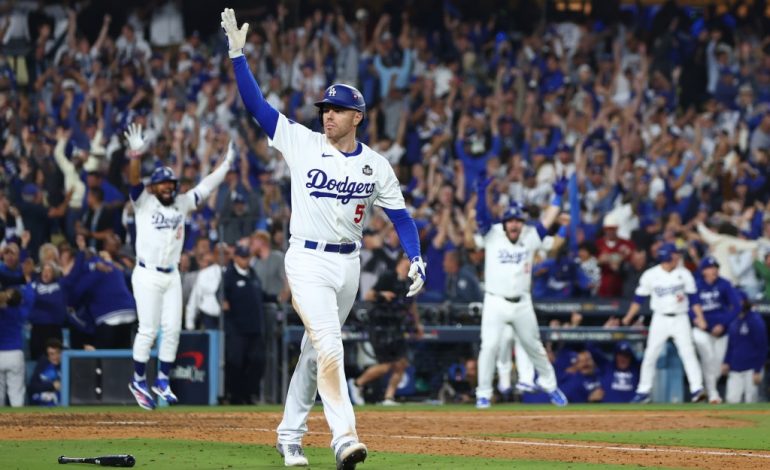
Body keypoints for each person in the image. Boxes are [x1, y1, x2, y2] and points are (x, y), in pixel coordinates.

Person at [223, 8, 425, 468]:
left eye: (335, 110)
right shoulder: (302, 141)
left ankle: (289, 435)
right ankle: (344, 439)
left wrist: (415, 257)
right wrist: (238, 56)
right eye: (324, 109)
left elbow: (401, 218)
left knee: (315, 355)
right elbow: (257, 107)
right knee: (330, 344)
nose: (327, 115)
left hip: (347, 266)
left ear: (357, 116)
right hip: (307, 261)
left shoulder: (376, 164)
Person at [124, 122, 235, 410]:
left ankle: (162, 379)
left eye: (171, 184)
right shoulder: (144, 202)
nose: (167, 187)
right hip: (146, 272)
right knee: (148, 330)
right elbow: (134, 181)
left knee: (172, 329)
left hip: (172, 274)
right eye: (162, 183)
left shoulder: (182, 203)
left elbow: (206, 187)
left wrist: (225, 167)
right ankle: (138, 380)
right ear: (154, 186)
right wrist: (135, 155)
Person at [473, 173, 569, 409]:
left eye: (518, 220)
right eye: (511, 220)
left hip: (522, 303)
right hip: (495, 301)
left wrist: (557, 196)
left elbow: (548, 221)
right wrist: (482, 194)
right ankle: (483, 393)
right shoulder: (492, 234)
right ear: (505, 222)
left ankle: (551, 386)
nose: (515, 224)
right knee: (489, 347)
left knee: (534, 346)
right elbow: (481, 217)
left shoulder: (530, 236)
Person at [622, 243, 707, 403]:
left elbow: (694, 299)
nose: (677, 256)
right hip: (660, 318)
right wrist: (628, 317)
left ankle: (697, 389)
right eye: (675, 254)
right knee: (650, 354)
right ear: (668, 256)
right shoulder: (651, 275)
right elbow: (639, 298)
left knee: (688, 352)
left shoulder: (684, 274)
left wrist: (700, 318)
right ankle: (643, 391)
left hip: (680, 318)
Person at [348, 257, 423, 406]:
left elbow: (411, 305)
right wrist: (382, 295)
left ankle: (389, 398)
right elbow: (368, 295)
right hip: (380, 326)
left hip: (396, 326)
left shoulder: (409, 282)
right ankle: (357, 383)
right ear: (403, 260)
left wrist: (417, 324)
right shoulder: (388, 276)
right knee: (386, 365)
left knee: (401, 363)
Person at [691, 256, 740, 404]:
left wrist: (723, 324)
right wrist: (696, 318)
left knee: (717, 367)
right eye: (710, 268)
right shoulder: (696, 285)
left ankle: (708, 388)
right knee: (708, 359)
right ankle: (713, 394)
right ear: (703, 270)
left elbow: (736, 307)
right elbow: (690, 306)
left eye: (716, 267)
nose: (714, 270)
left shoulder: (724, 284)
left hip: (721, 331)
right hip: (702, 330)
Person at [222, 244, 265, 404]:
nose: (245, 260)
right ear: (236, 257)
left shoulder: (252, 274)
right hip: (236, 328)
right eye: (243, 257)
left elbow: (261, 294)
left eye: (247, 257)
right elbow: (220, 294)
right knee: (236, 363)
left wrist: (276, 298)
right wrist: (223, 301)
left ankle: (249, 394)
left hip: (254, 327)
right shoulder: (229, 275)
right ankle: (235, 395)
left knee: (257, 361)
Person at [723, 291, 768, 403]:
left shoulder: (755, 320)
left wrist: (758, 370)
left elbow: (762, 346)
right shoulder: (733, 320)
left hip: (751, 369)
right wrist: (726, 361)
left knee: (751, 400)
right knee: (731, 400)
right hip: (735, 367)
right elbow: (730, 344)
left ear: (744, 302)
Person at [0, 287, 26, 407]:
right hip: (15, 353)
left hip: (1, 353)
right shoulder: (20, 311)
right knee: (16, 392)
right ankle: (19, 423)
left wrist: (5, 295)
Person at [28, 338, 62, 406]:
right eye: (51, 354)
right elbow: (32, 387)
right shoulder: (43, 364)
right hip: (42, 401)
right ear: (47, 355)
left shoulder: (67, 363)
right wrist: (52, 385)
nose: (55, 357)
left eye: (57, 353)